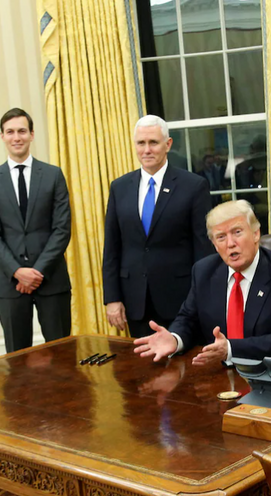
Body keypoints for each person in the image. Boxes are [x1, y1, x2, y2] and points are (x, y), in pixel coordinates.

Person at [134, 200, 271, 366]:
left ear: (256, 234)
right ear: (215, 245)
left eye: (237, 232)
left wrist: (231, 349)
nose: (230, 244)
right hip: (215, 371)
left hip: (267, 372)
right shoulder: (203, 271)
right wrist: (175, 338)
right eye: (221, 237)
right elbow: (188, 319)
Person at [103, 115, 212, 338]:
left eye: (153, 142)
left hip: (180, 300)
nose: (147, 150)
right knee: (142, 368)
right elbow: (112, 248)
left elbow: (203, 249)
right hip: (135, 301)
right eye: (141, 143)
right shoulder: (119, 187)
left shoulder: (193, 186)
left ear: (168, 144)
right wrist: (112, 298)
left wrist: (200, 297)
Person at [0, 108, 72, 353]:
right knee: (17, 359)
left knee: (62, 355)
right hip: (10, 283)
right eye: (10, 132)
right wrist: (18, 272)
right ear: (2, 136)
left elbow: (62, 229)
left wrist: (36, 272)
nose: (16, 137)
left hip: (51, 279)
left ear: (32, 134)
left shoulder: (53, 175)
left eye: (22, 131)